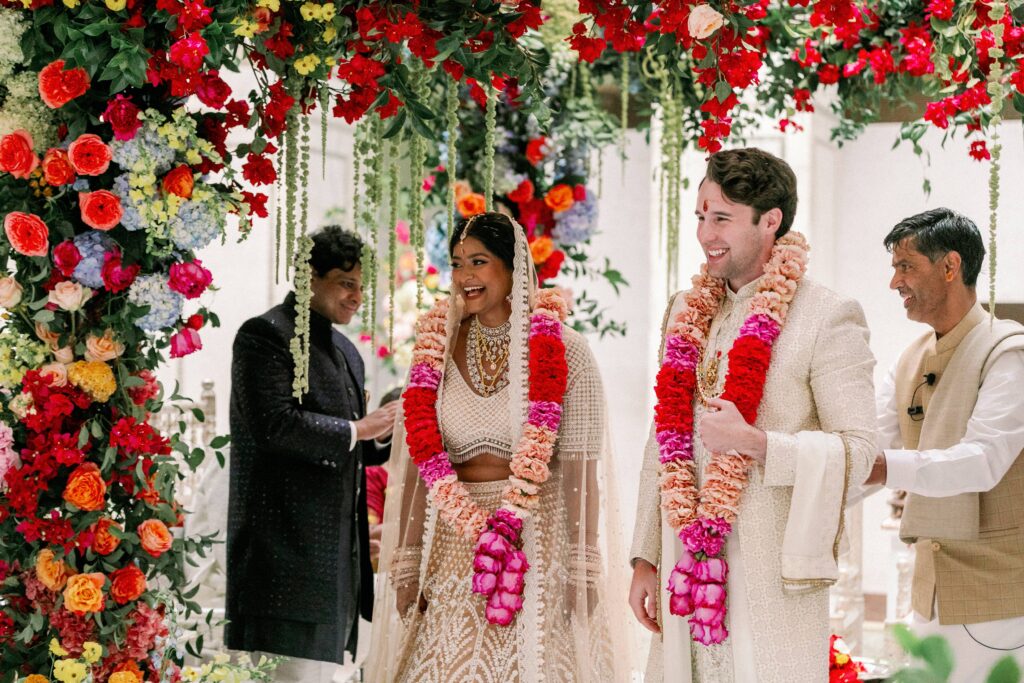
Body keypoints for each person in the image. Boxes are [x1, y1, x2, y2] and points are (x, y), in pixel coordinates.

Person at [629, 148, 877, 682]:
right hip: (683, 558)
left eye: (721, 217)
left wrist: (757, 443)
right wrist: (644, 557)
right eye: (700, 216)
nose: (704, 233)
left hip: (771, 573)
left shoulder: (826, 316)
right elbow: (663, 439)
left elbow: (860, 452)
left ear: (771, 222)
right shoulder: (683, 309)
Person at [366, 212, 630, 682]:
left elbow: (580, 469)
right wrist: (407, 562)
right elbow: (418, 465)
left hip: (538, 539)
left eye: (479, 262)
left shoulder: (565, 350)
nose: (465, 276)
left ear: (514, 268)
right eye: (457, 263)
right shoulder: (436, 351)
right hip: (452, 542)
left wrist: (582, 564)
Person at [225, 225, 399, 683]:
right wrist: (360, 428)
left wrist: (388, 432)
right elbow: (274, 427)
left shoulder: (346, 352)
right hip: (280, 564)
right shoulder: (264, 335)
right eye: (346, 283)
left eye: (361, 287)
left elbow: (352, 450)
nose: (356, 297)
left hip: (336, 569)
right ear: (308, 278)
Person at [863, 208, 1024, 680]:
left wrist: (883, 467)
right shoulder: (910, 358)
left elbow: (983, 461)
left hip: (998, 592)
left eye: (906, 266)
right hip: (930, 590)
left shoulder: (1009, 353)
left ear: (951, 266)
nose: (895, 282)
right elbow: (869, 447)